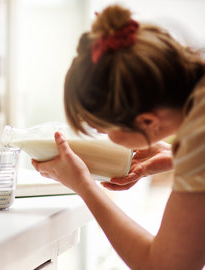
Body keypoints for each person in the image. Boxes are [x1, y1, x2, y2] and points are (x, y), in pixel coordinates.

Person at [31, 4, 205, 270]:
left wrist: (84, 186)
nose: (106, 138)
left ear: (147, 121)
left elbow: (165, 266)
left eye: (105, 129)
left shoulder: (198, 133)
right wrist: (178, 159)